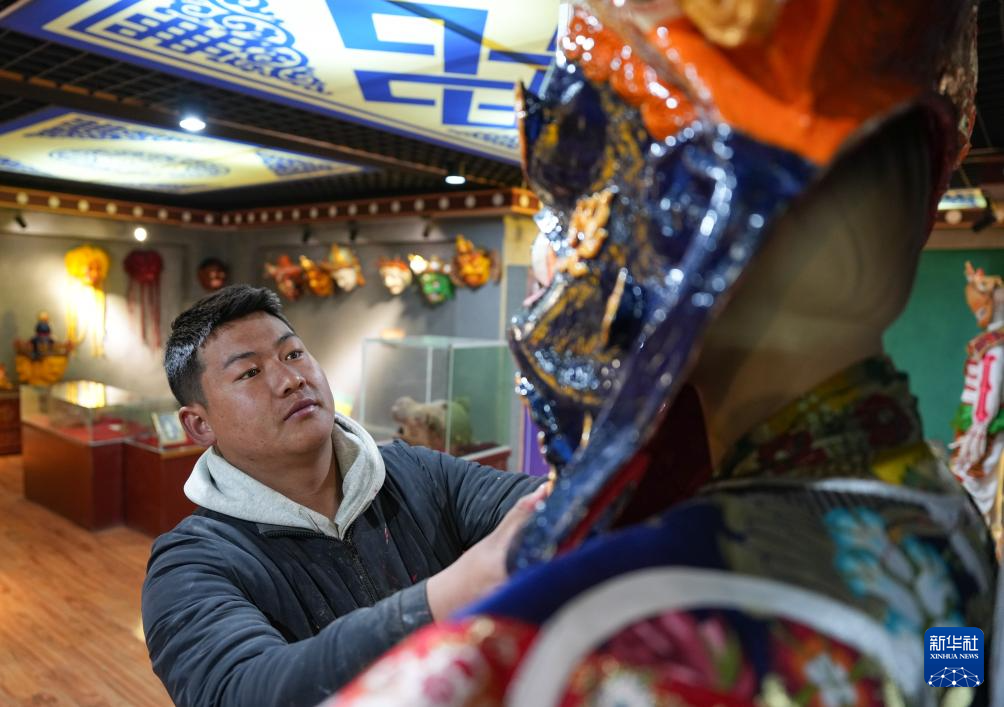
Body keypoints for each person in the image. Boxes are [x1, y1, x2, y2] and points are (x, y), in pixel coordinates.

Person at [326, 1, 996, 705]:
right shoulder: (945, 522)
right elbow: (957, 685)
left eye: (631, 193)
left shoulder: (550, 652)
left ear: (849, 252)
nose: (579, 255)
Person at [141, 285, 545, 707]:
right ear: (200, 424)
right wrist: (439, 600)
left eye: (293, 354)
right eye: (250, 373)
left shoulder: (417, 472)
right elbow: (239, 690)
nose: (291, 379)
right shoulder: (190, 565)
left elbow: (537, 504)